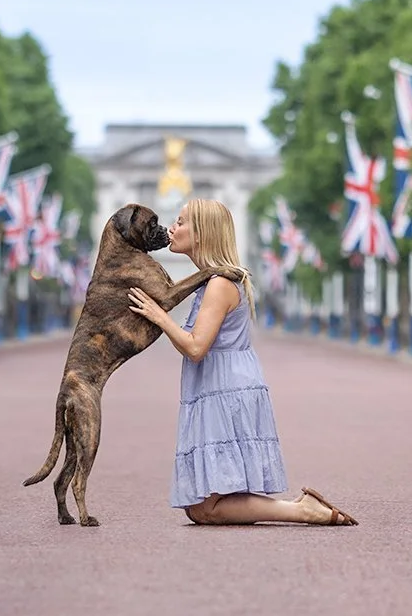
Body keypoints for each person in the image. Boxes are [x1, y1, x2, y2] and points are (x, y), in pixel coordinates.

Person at [126, 199, 357, 526]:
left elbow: (196, 348)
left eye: (180, 222)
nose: (172, 229)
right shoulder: (211, 282)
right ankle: (301, 508)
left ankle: (301, 509)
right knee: (199, 508)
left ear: (203, 233)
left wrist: (158, 316)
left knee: (205, 508)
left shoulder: (219, 285)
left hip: (226, 390)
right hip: (221, 385)